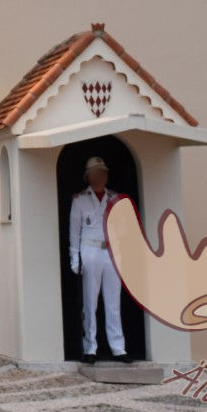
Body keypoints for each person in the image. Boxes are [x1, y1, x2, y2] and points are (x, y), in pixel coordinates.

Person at [68, 156, 133, 364]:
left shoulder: (114, 198)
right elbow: (74, 231)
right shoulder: (80, 200)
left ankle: (118, 347)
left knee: (113, 303)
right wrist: (74, 258)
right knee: (90, 302)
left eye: (102, 173)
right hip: (90, 251)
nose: (99, 177)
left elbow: (123, 229)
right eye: (95, 174)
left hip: (111, 252)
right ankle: (90, 347)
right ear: (88, 177)